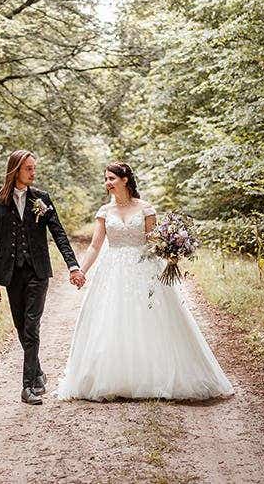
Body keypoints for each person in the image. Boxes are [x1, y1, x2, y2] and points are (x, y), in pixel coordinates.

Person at [56, 161, 235, 402]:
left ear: (125, 179)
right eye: (106, 179)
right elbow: (95, 246)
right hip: (113, 270)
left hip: (144, 268)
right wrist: (81, 270)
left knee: (151, 318)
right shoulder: (104, 212)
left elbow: (154, 242)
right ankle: (116, 377)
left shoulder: (145, 208)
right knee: (113, 319)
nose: (108, 183)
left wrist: (171, 252)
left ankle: (155, 376)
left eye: (112, 178)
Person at [0, 149, 85, 405]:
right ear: (15, 170)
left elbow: (59, 233)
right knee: (21, 327)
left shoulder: (42, 198)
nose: (33, 172)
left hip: (38, 272)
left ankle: (27, 386)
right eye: (28, 168)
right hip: (11, 274)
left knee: (31, 326)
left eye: (34, 168)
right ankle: (37, 371)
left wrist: (73, 265)